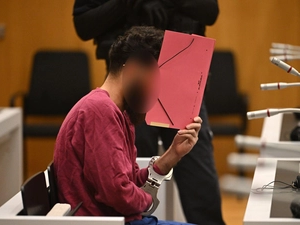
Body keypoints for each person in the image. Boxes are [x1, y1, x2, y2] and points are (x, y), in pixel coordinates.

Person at [72, 1, 226, 225]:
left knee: (199, 180)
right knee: (130, 173)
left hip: (183, 69)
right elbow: (84, 25)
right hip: (132, 75)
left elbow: (210, 12)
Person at [54, 26, 202, 225]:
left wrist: (173, 154)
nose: (157, 92)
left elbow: (128, 180)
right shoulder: (100, 111)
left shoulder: (116, 112)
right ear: (133, 69)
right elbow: (118, 193)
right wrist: (148, 202)